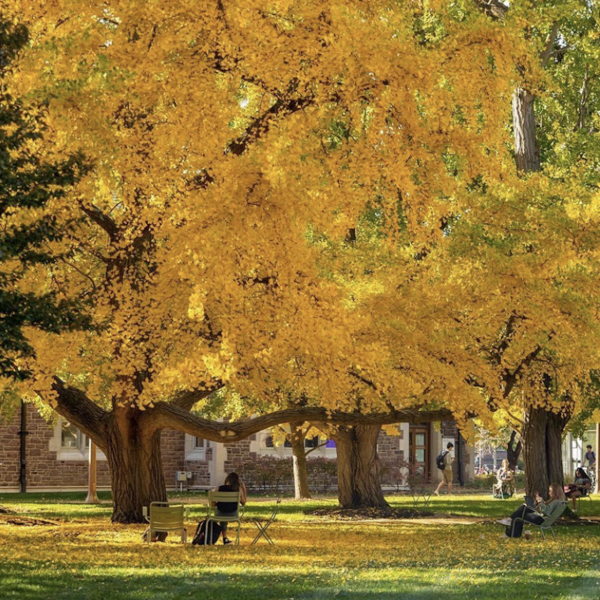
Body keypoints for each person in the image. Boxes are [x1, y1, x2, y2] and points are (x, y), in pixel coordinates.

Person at [496, 483, 566, 538]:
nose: (549, 493)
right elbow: (547, 509)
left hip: (542, 520)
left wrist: (540, 502)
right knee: (523, 510)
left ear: (555, 491)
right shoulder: (558, 501)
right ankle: (512, 530)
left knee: (522, 510)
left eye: (550, 491)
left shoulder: (556, 501)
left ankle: (510, 525)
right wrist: (541, 502)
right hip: (544, 520)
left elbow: (546, 511)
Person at [212, 472, 247, 545]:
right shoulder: (238, 490)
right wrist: (244, 490)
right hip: (233, 514)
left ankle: (225, 537)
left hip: (219, 514)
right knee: (226, 511)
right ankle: (225, 539)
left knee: (223, 512)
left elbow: (212, 504)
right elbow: (243, 503)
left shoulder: (218, 488)